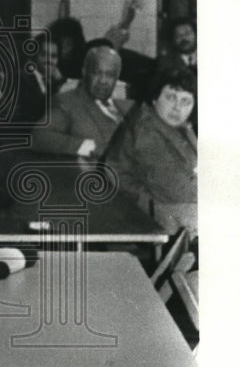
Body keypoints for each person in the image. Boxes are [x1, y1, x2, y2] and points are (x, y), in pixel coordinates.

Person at [104, 66, 197, 238]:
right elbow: (173, 187)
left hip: (176, 213)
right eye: (171, 97)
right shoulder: (147, 129)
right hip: (163, 219)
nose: (177, 107)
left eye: (185, 102)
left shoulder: (176, 127)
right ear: (155, 98)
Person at [30, 45, 133, 158]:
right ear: (85, 72)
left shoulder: (129, 106)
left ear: (117, 78)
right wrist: (92, 147)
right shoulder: (68, 103)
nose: (103, 81)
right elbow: (39, 136)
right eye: (97, 73)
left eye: (110, 75)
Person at [13, 31, 64, 124]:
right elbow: (37, 112)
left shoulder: (51, 81)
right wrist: (58, 84)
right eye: (44, 55)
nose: (49, 61)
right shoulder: (21, 78)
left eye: (54, 56)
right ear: (34, 56)